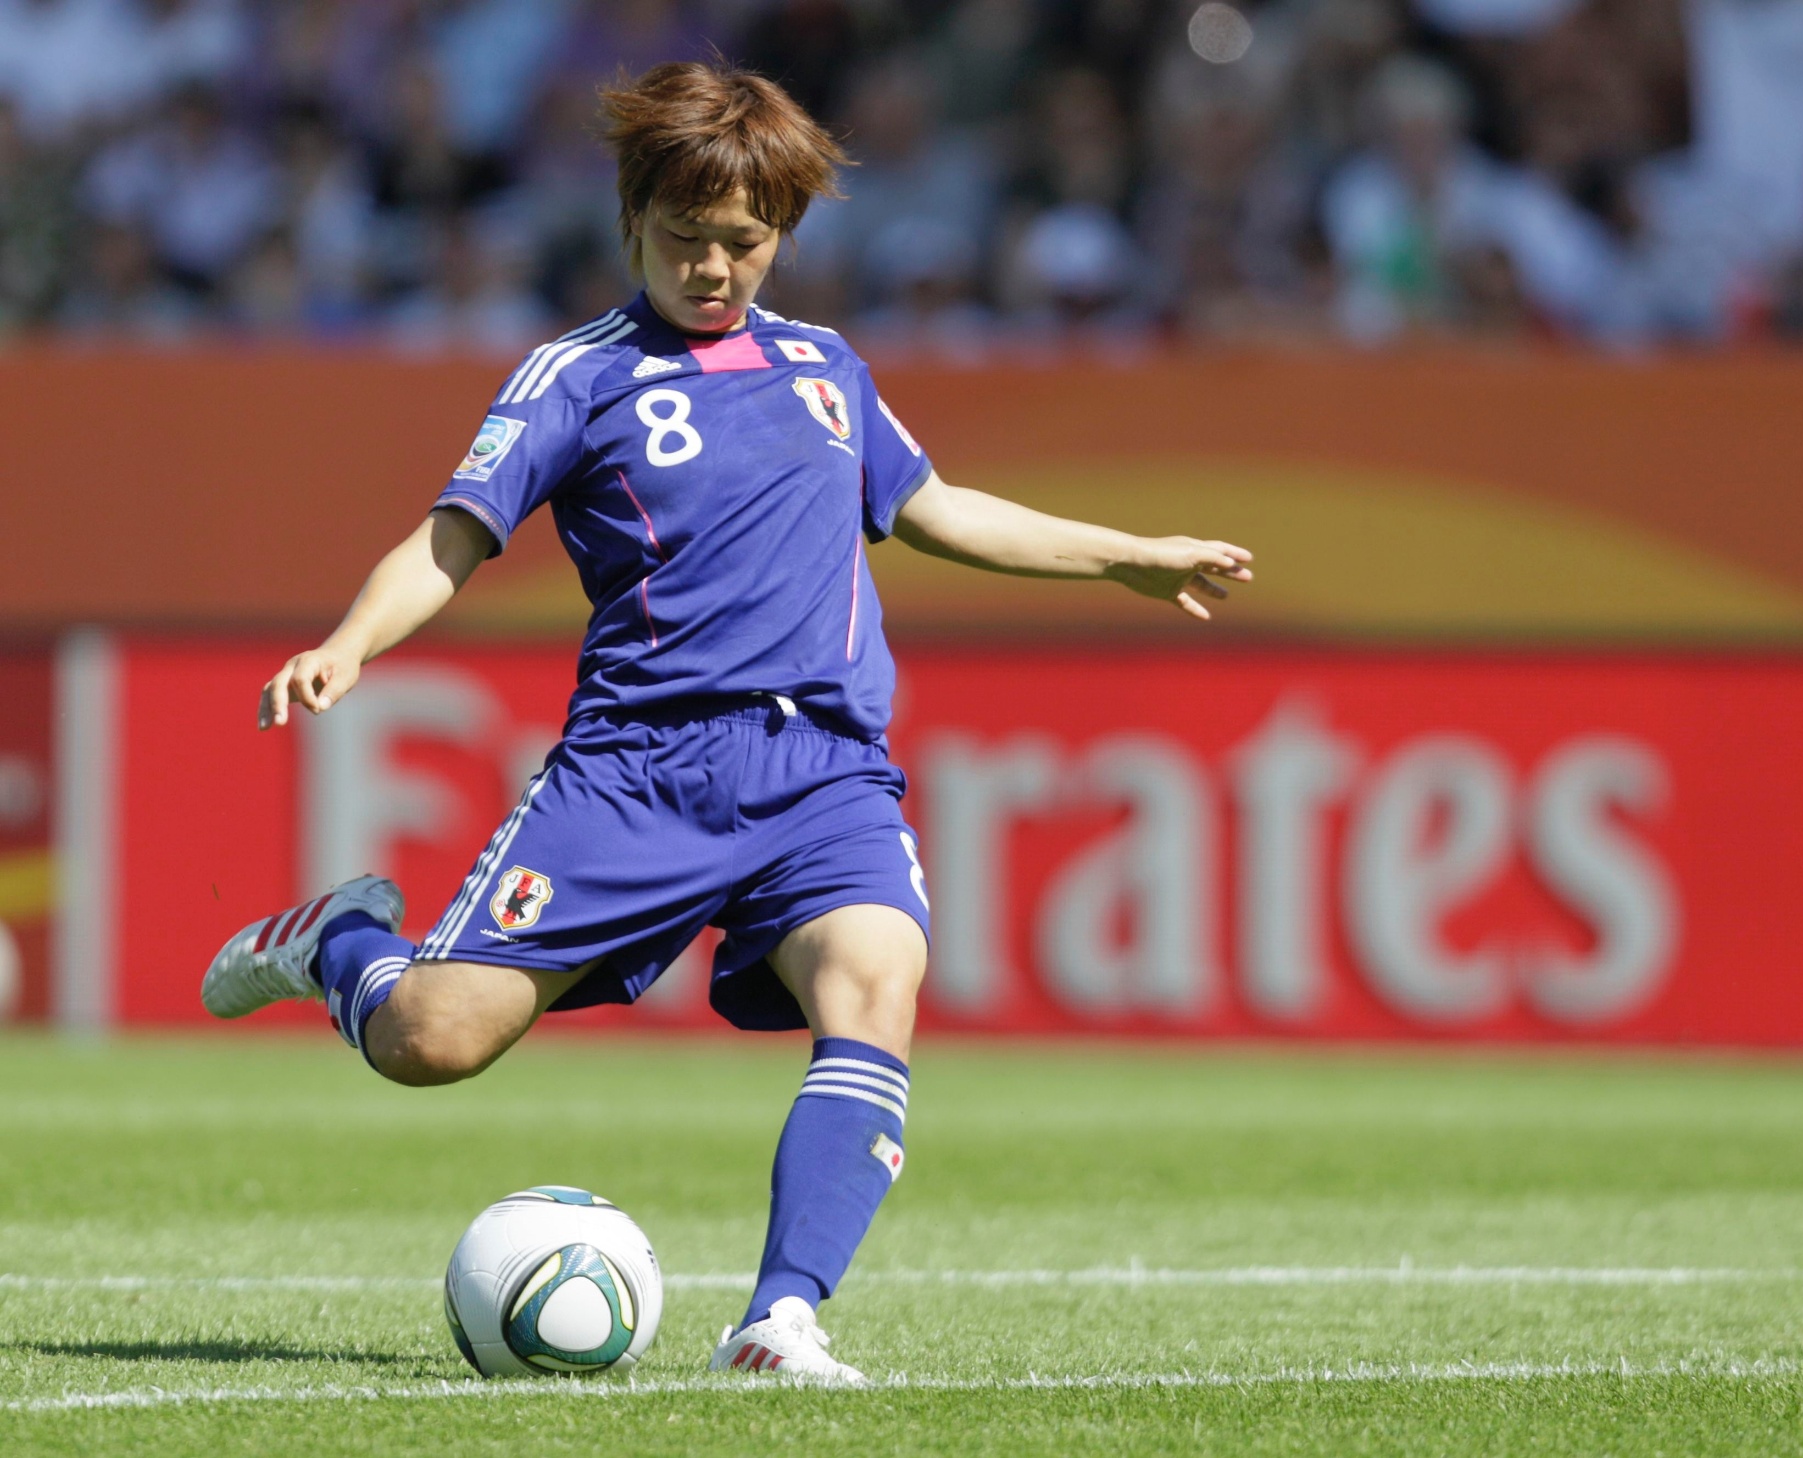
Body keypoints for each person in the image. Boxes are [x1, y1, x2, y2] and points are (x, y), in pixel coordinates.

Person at [199, 59, 1253, 1386]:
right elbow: (452, 537)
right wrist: (349, 640)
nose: (714, 267)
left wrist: (1124, 555)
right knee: (431, 1040)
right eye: (686, 238)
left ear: (784, 235)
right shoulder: (574, 377)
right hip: (637, 774)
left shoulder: (826, 369)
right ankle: (340, 937)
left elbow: (935, 508)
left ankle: (781, 1319)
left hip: (824, 774)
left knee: (875, 979)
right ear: (632, 219)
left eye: (744, 242)